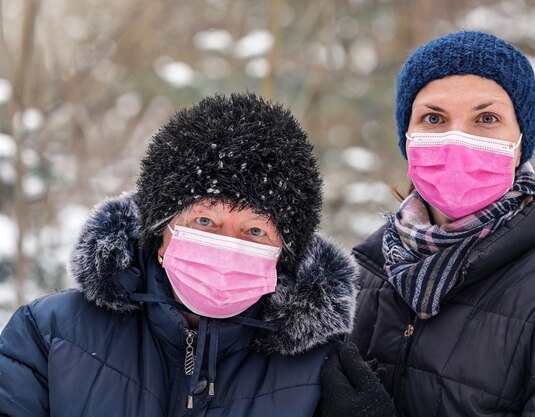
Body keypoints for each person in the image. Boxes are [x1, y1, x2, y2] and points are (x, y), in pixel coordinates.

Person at [0, 93, 363, 416]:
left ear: (283, 253)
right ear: (161, 234)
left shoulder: (322, 372)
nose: (227, 245)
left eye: (255, 231)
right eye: (205, 220)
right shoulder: (50, 335)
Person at [344, 31, 535, 416]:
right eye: (433, 117)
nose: (457, 138)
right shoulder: (365, 275)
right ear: (407, 138)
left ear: (519, 141)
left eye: (487, 118)